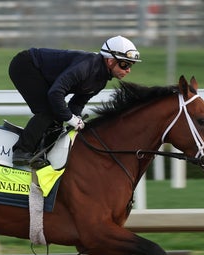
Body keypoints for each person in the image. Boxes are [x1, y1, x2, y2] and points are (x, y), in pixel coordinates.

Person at [9, 35, 141, 167]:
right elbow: (56, 93)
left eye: (131, 65)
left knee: (57, 120)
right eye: (125, 64)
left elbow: (77, 103)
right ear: (110, 61)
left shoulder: (101, 81)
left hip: (42, 76)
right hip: (25, 65)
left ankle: (38, 154)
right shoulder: (86, 66)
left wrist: (75, 118)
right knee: (49, 111)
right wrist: (69, 117)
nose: (128, 70)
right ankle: (22, 151)